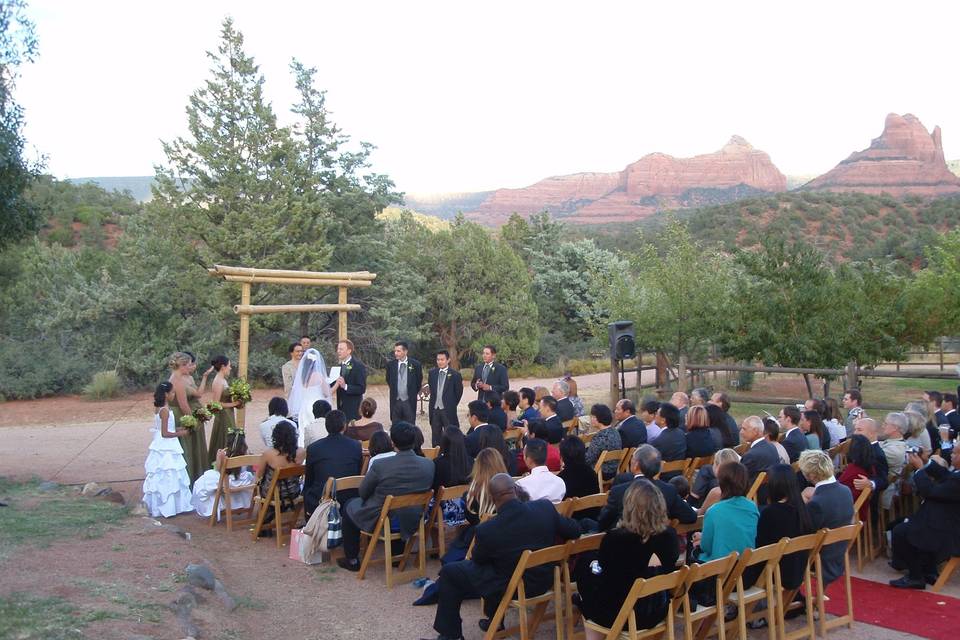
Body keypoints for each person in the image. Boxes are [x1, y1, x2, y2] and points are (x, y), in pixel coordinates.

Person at [427, 474, 580, 640]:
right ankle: (495, 620)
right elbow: (574, 530)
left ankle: (451, 635)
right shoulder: (544, 508)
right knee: (498, 564)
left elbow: (478, 560)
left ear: (493, 499)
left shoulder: (488, 530)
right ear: (515, 490)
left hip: (514, 586)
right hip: (547, 579)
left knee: (451, 572)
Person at [576, 481, 679, 636]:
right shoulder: (669, 536)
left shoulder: (616, 539)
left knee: (586, 574)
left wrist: (589, 564)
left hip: (623, 613)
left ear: (629, 507)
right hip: (657, 610)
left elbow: (605, 576)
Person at [337, 422, 436, 572]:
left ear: (392, 442)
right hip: (414, 516)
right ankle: (397, 556)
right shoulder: (428, 464)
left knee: (350, 505)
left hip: (384, 517)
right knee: (398, 507)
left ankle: (352, 558)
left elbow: (363, 492)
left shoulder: (381, 465)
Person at [889, 447, 960, 589]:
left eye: (955, 453)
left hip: (949, 529)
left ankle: (915, 576)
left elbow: (930, 491)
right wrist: (926, 463)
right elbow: (945, 475)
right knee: (909, 525)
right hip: (944, 519)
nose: (951, 455)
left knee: (901, 531)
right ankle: (929, 570)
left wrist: (920, 470)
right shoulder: (956, 474)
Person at [743, 464, 813, 591]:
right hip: (797, 571)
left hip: (775, 572)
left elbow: (760, 548)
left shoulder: (771, 513)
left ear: (774, 486)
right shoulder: (803, 509)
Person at [596, 445, 697, 531]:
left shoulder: (618, 491)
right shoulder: (669, 490)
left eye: (632, 459)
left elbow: (603, 523)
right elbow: (690, 516)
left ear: (636, 465)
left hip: (624, 544)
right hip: (655, 545)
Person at [799, 450, 853, 587]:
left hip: (820, 559)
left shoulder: (817, 503)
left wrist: (801, 505)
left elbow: (803, 534)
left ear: (811, 475)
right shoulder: (845, 491)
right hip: (838, 554)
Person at [692, 462, 758, 571]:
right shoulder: (752, 507)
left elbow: (706, 547)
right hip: (745, 569)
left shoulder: (714, 511)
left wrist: (702, 538)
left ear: (721, 483)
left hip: (719, 572)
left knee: (694, 549)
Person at [143, 382, 193, 517]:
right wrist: (180, 434)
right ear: (166, 394)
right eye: (172, 393)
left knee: (170, 473)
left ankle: (175, 506)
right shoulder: (164, 410)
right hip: (166, 445)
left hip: (163, 442)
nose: (174, 395)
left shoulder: (161, 408)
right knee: (169, 472)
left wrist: (178, 428)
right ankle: (169, 506)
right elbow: (165, 433)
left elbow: (165, 428)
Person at [302, 410, 362, 519]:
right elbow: (357, 472)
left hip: (322, 497)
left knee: (307, 491)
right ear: (344, 426)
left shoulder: (314, 448)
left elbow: (309, 479)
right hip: (349, 497)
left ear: (326, 427)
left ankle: (311, 526)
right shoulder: (355, 446)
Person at [167, 351, 211, 484]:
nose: (190, 367)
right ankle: (190, 479)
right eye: (188, 364)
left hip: (178, 413)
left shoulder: (175, 377)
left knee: (190, 447)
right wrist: (194, 421)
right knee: (187, 448)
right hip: (181, 415)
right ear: (182, 365)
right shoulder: (177, 380)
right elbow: (183, 405)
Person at [255, 420, 306, 535]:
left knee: (265, 484)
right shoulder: (301, 452)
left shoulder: (268, 454)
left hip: (273, 494)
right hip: (294, 491)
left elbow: (259, 475)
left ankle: (265, 523)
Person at [191, 429, 255, 519]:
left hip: (228, 483)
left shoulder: (223, 454)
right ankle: (237, 505)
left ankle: (214, 507)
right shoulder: (247, 453)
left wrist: (218, 456)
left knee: (202, 482)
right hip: (243, 481)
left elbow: (218, 469)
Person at [287, 347, 334, 445]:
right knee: (318, 431)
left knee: (304, 432)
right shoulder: (318, 375)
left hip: (304, 407)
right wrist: (337, 384)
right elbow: (326, 393)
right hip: (317, 406)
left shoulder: (302, 377)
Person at [206, 355, 242, 466]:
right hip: (224, 415)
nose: (230, 368)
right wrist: (234, 404)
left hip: (228, 413)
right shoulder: (218, 381)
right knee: (226, 439)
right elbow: (216, 403)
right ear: (223, 367)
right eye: (229, 366)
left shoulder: (222, 380)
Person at [428, 350, 464, 447]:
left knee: (451, 436)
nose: (440, 362)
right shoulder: (432, 374)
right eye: (438, 359)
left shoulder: (455, 375)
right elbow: (432, 390)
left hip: (448, 409)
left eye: (442, 359)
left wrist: (451, 404)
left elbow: (458, 392)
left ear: (448, 360)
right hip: (435, 409)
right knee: (436, 436)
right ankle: (436, 457)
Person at [837, 434, 875, 522]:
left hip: (849, 514)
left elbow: (837, 488)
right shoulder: (869, 466)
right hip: (860, 509)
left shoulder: (853, 469)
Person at [385, 340, 423, 425]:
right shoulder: (391, 365)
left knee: (410, 426)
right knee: (396, 426)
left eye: (398, 351)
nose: (396, 353)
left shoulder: (416, 365)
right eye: (395, 351)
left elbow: (418, 381)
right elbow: (388, 379)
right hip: (395, 401)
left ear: (405, 351)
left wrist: (412, 393)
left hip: (409, 401)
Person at [331, 339, 367, 421]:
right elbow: (332, 384)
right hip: (340, 408)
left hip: (353, 409)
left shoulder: (358, 366)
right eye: (338, 349)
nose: (338, 351)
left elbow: (362, 388)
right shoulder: (338, 367)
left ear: (349, 351)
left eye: (341, 349)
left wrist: (345, 386)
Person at [585, 403, 622, 480]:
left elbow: (588, 460)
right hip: (614, 470)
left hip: (601, 472)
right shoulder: (615, 431)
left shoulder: (600, 437)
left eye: (593, 416)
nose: (591, 419)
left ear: (599, 418)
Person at [434, 427, 474, 491]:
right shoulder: (471, 462)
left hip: (443, 500)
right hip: (464, 499)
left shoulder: (438, 463)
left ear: (444, 443)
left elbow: (434, 487)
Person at [651, 402, 686, 469]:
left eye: (657, 414)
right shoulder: (681, 433)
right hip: (678, 473)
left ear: (663, 420)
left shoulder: (659, 441)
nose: (655, 416)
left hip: (663, 476)